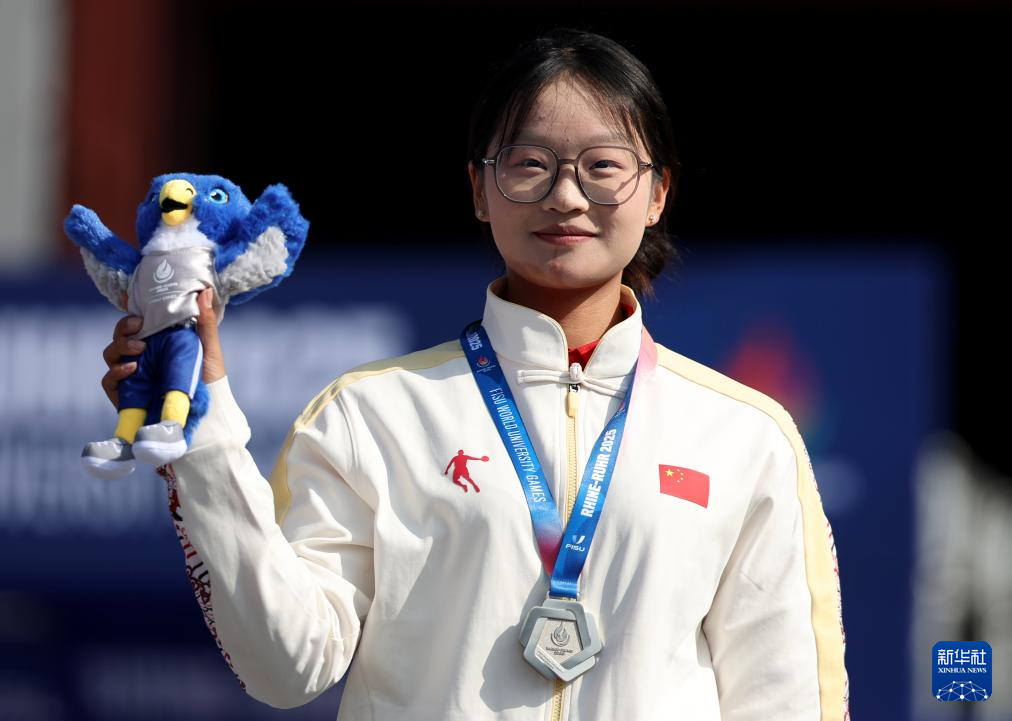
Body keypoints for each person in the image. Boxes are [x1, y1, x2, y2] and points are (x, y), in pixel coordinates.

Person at [100, 28, 849, 721]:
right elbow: (284, 665)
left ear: (657, 193)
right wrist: (201, 434)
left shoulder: (746, 437)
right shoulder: (370, 415)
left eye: (603, 166)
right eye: (530, 164)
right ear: (479, 190)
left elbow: (787, 698)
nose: (565, 195)